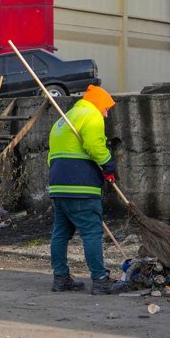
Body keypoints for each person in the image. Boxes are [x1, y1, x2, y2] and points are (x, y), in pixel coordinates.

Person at [48, 84, 117, 295]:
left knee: (60, 233)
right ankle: (100, 280)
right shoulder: (91, 116)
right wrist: (108, 165)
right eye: (105, 108)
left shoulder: (64, 119)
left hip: (58, 185)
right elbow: (95, 146)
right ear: (97, 103)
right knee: (91, 232)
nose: (105, 114)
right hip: (81, 184)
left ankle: (60, 278)